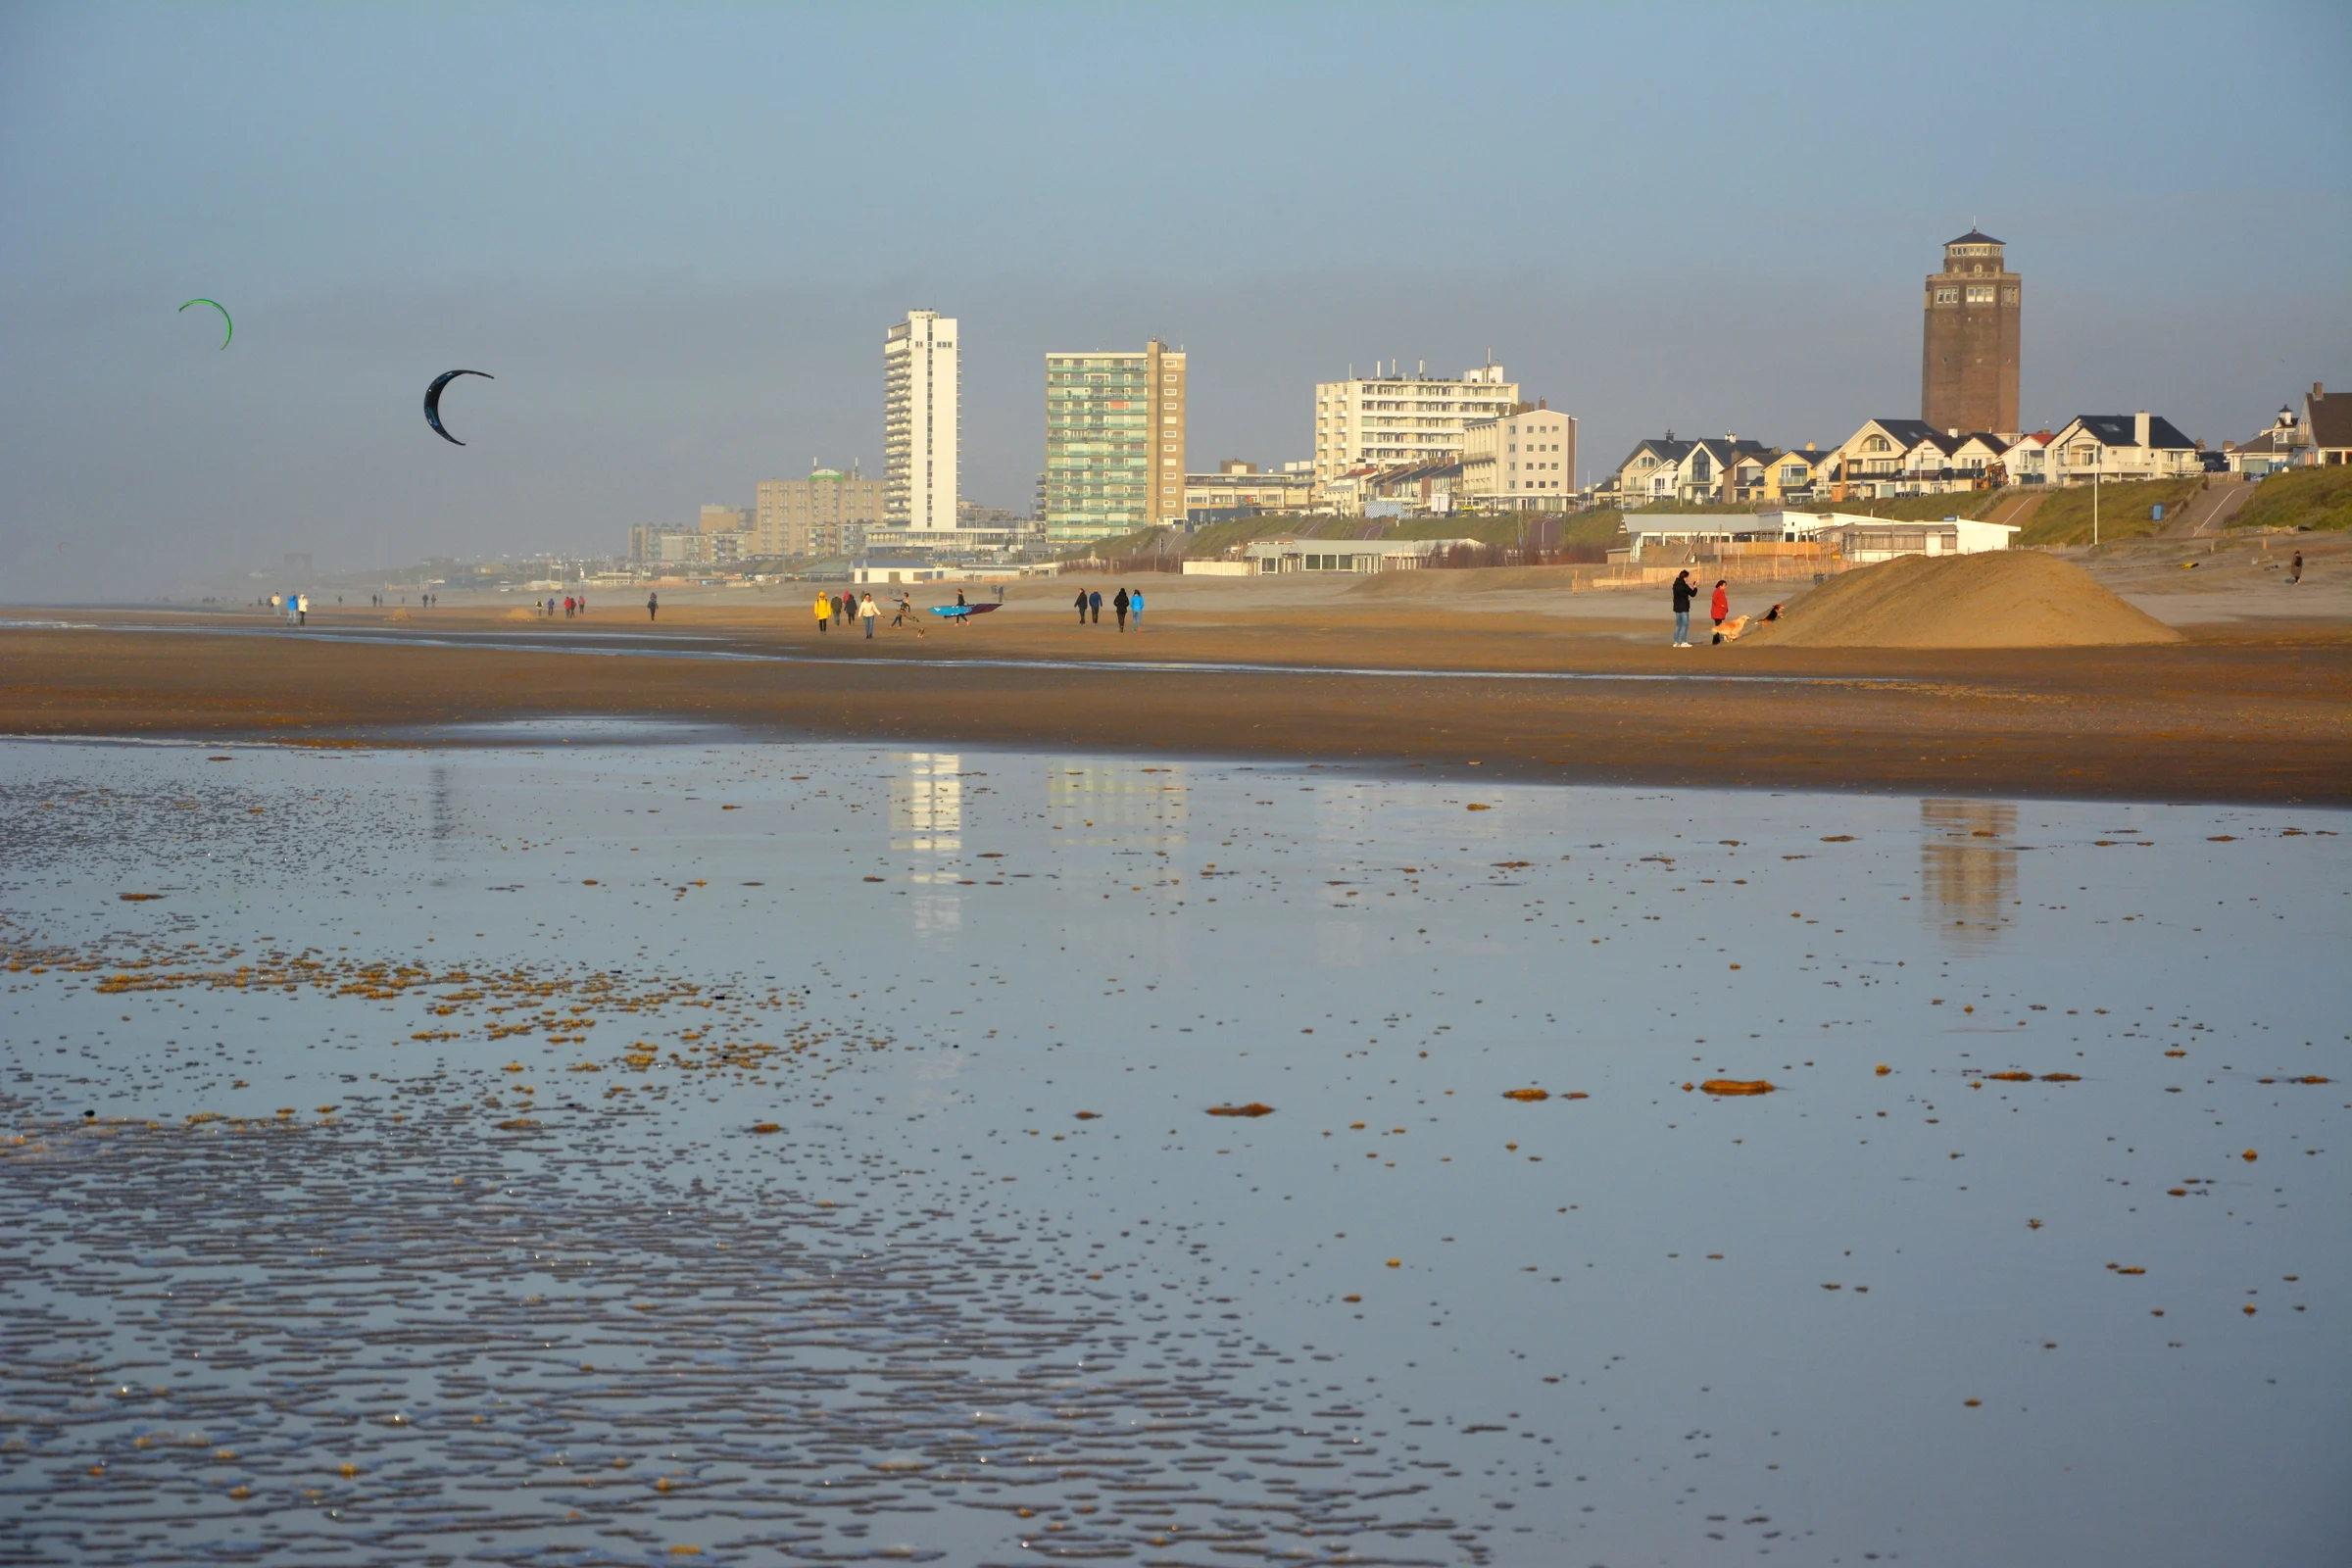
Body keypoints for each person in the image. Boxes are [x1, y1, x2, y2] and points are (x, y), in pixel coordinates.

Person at [1670, 570, 1696, 647]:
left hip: (1677, 607)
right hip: (1683, 607)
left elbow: (1685, 591)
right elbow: (1692, 594)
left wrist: (1689, 588)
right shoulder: (1684, 585)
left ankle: (1675, 642)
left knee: (1678, 625)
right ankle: (1683, 641)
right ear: (1685, 577)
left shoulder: (1675, 585)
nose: (1687, 579)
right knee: (1685, 625)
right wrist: (1695, 588)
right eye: (1687, 577)